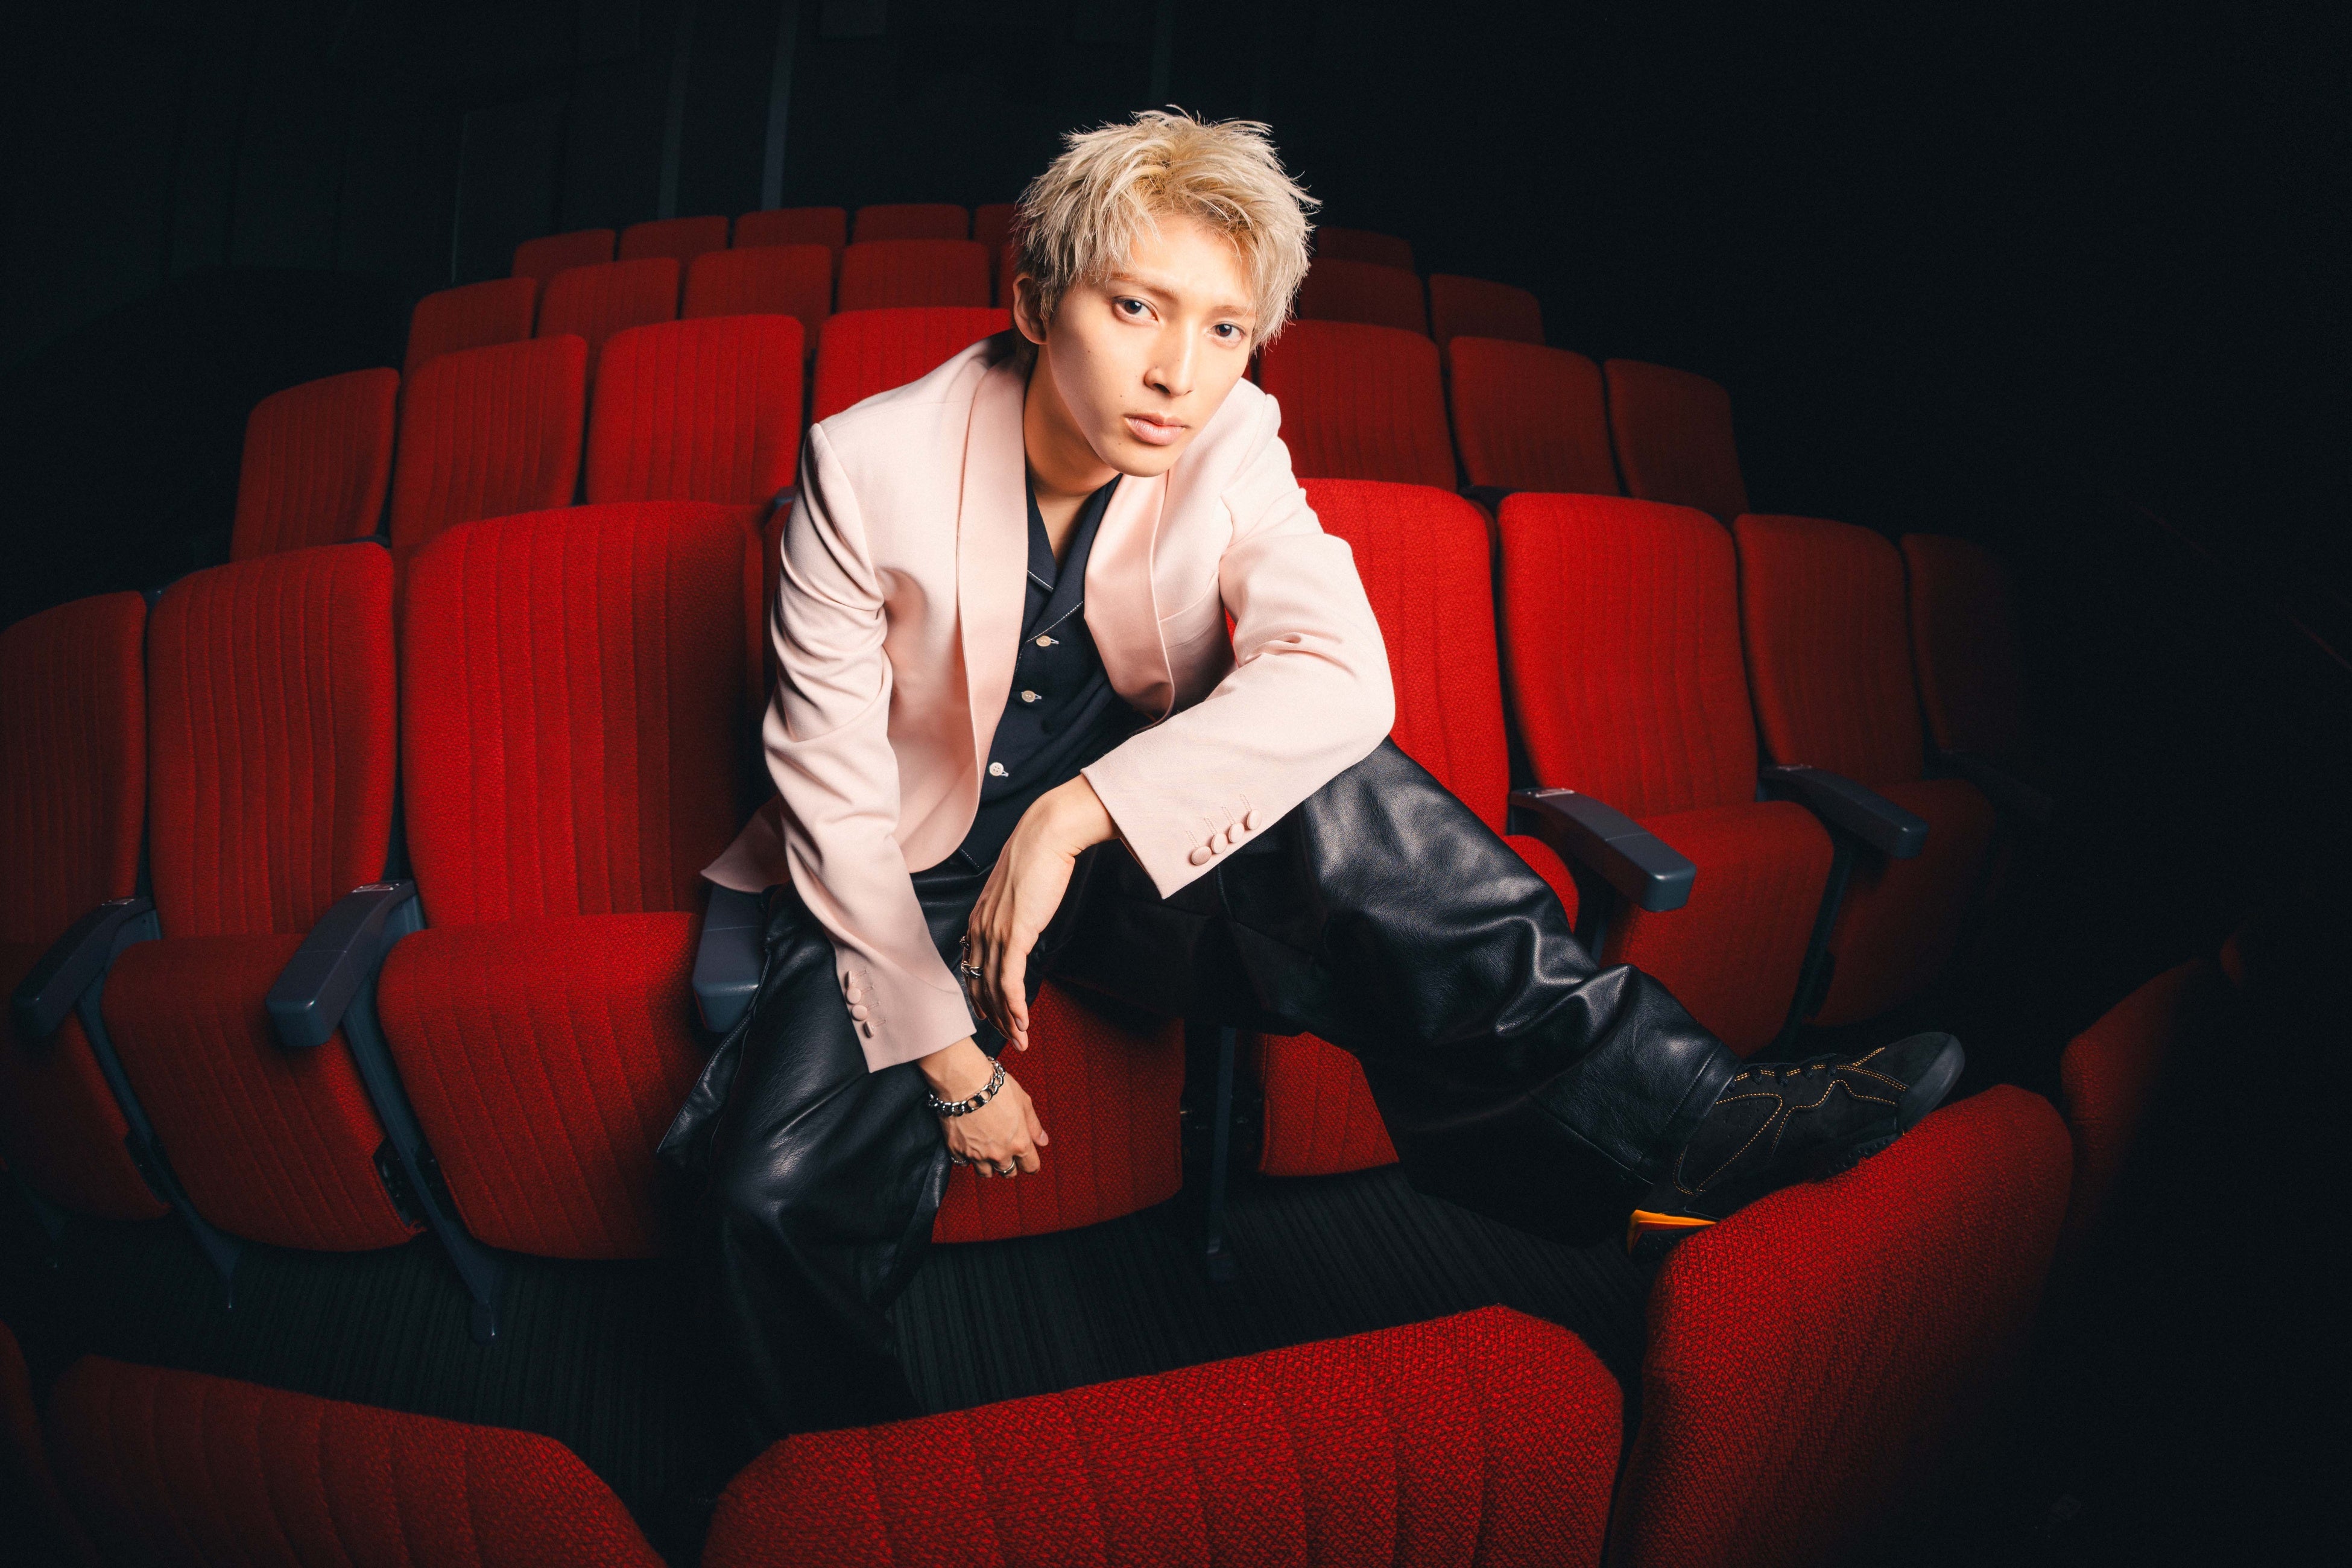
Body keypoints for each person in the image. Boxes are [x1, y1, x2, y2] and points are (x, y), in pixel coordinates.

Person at [658, 109, 1962, 1450]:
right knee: (769, 1198)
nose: (1178, 372)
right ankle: (839, 1476)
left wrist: (1074, 814)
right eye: (1135, 306)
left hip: (1123, 850)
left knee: (1343, 787)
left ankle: (1688, 1123)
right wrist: (953, 1064)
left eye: (1225, 328)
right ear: (1037, 302)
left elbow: (1342, 677)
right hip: (908, 864)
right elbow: (829, 798)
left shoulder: (1232, 437)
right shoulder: (866, 464)